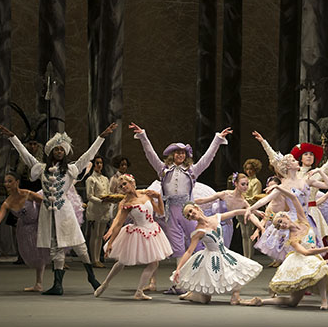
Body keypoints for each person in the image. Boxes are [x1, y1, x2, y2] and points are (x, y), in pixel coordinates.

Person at [0, 121, 118, 295]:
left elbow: (88, 155)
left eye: (62, 149)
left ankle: (91, 277)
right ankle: (57, 284)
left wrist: (102, 137)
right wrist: (13, 138)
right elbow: (25, 155)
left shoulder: (71, 169)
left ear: (65, 152)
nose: (59, 152)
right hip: (48, 213)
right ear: (51, 152)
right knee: (56, 248)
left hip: (65, 212)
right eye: (56, 149)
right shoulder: (42, 168)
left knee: (79, 245)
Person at [130, 121, 231, 280]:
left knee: (196, 241)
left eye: (183, 153)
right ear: (172, 155)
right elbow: (150, 154)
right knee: (177, 245)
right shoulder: (163, 170)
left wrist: (217, 139)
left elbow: (208, 157)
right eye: (177, 153)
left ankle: (198, 277)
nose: (180, 155)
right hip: (170, 210)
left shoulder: (192, 171)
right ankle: (179, 281)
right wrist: (143, 136)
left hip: (188, 210)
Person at [246, 186, 328, 310]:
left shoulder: (303, 220)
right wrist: (325, 249)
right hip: (302, 263)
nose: (282, 224)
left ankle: (324, 301)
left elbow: (294, 198)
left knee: (322, 268)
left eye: (281, 221)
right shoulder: (292, 240)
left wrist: (278, 187)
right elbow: (306, 252)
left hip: (313, 260)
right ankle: (262, 301)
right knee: (293, 302)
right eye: (279, 225)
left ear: (286, 217)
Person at [96, 173, 171, 300]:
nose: (123, 187)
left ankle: (139, 292)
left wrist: (158, 196)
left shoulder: (146, 194)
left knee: (154, 263)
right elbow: (119, 222)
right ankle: (105, 283)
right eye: (120, 186)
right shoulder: (126, 203)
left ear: (132, 182)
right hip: (138, 232)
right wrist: (111, 242)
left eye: (125, 184)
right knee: (122, 261)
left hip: (152, 230)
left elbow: (160, 212)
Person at [171, 202, 262, 305]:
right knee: (205, 300)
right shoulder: (198, 232)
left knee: (240, 269)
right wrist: (178, 269)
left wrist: (253, 211)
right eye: (188, 215)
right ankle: (191, 295)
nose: (191, 214)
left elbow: (236, 212)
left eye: (191, 211)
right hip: (210, 257)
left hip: (224, 252)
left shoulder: (216, 218)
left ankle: (235, 297)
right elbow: (189, 251)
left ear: (196, 208)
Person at [0, 172, 50, 291]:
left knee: (46, 252)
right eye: (5, 182)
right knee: (36, 255)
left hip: (39, 224)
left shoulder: (28, 194)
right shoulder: (7, 203)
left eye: (10, 181)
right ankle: (38, 283)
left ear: (17, 182)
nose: (7, 184)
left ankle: (53, 280)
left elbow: (47, 203)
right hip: (25, 229)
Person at [85, 155, 111, 267]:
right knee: (94, 234)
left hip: (104, 209)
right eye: (97, 163)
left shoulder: (105, 179)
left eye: (100, 163)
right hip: (95, 208)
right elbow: (89, 196)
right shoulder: (91, 179)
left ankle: (98, 258)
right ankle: (93, 259)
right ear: (93, 165)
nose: (99, 165)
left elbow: (108, 192)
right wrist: (101, 201)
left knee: (100, 235)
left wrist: (110, 199)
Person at [240, 158, 264, 259]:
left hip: (251, 209)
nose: (249, 171)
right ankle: (245, 257)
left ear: (255, 170)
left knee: (250, 234)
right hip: (241, 209)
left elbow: (255, 197)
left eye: (251, 169)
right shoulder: (244, 181)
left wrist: (245, 199)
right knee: (244, 234)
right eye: (247, 169)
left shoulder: (256, 182)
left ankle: (249, 257)